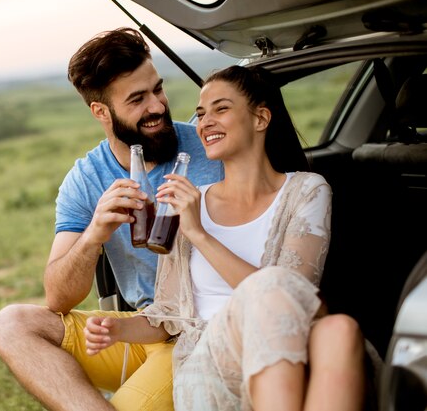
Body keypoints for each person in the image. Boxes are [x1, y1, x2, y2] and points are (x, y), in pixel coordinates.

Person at [84, 65, 381, 411]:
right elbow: (168, 315)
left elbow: (293, 293)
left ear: (260, 118)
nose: (204, 122)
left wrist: (199, 234)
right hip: (211, 359)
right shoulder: (191, 201)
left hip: (288, 336)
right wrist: (118, 331)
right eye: (200, 113)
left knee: (340, 330)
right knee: (301, 308)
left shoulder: (306, 190)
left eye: (220, 109)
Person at [0, 27, 225, 411]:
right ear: (100, 111)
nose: (158, 106)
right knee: (11, 323)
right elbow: (59, 298)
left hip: (199, 330)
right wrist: (94, 234)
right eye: (137, 99)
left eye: (157, 89)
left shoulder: (210, 145)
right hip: (134, 330)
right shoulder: (84, 180)